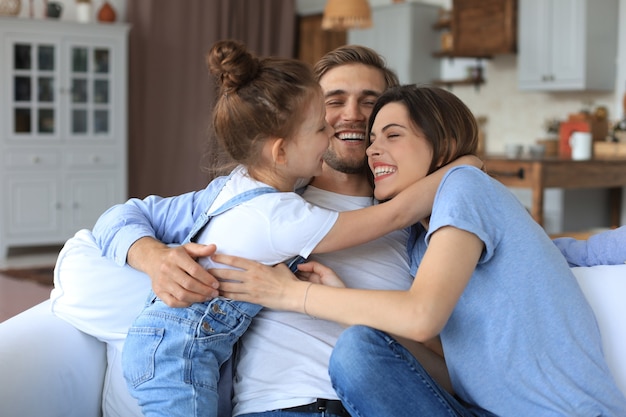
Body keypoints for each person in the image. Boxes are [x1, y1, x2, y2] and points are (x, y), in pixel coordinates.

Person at [212, 85, 626, 416]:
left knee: (357, 348)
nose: (373, 150)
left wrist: (290, 294)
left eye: (393, 135)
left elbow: (422, 316)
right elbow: (456, 371)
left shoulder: (465, 185)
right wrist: (340, 295)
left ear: (442, 142)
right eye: (373, 140)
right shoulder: (420, 247)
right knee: (360, 349)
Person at [118, 41, 471, 417]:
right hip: (282, 405)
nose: (351, 115)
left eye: (370, 102)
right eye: (332, 104)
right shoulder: (263, 199)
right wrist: (155, 258)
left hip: (380, 398)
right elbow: (125, 216)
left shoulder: (428, 226)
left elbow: (450, 352)